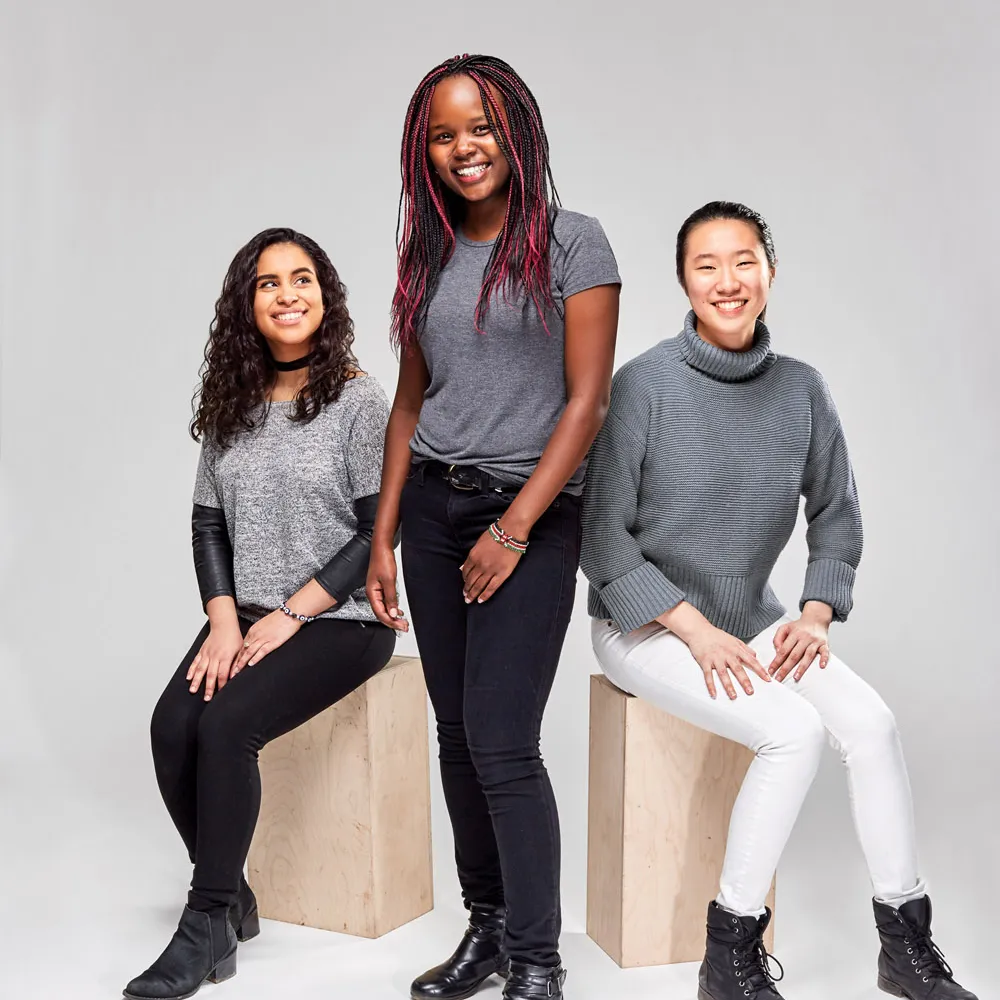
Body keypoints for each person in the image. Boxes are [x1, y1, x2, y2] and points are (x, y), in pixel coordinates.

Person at [580, 202, 977, 1000]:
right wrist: (692, 629)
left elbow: (838, 514)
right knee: (792, 732)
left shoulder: (801, 389)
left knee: (872, 726)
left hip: (753, 620)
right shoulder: (645, 384)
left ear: (769, 272)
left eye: (744, 262)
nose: (728, 281)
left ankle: (904, 945)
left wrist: (816, 613)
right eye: (707, 266)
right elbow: (599, 533)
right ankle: (729, 953)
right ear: (684, 281)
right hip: (645, 624)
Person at [366, 54, 621, 1000]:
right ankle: (488, 929)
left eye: (480, 127)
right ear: (423, 150)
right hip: (433, 512)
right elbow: (408, 404)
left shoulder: (572, 243)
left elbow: (588, 402)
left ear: (517, 130)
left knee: (504, 738)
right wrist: (384, 535)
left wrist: (513, 529)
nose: (463, 147)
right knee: (456, 735)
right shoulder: (428, 256)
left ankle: (537, 962)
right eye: (443, 134)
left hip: (532, 515)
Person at [124, 228, 396, 1000]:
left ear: (325, 295)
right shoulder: (232, 402)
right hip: (242, 613)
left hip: (343, 620)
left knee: (226, 726)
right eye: (268, 282)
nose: (287, 294)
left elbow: (380, 529)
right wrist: (223, 619)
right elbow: (207, 522)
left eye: (301, 278)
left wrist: (293, 614)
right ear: (246, 304)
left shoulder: (357, 398)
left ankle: (206, 920)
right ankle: (231, 894)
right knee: (171, 727)